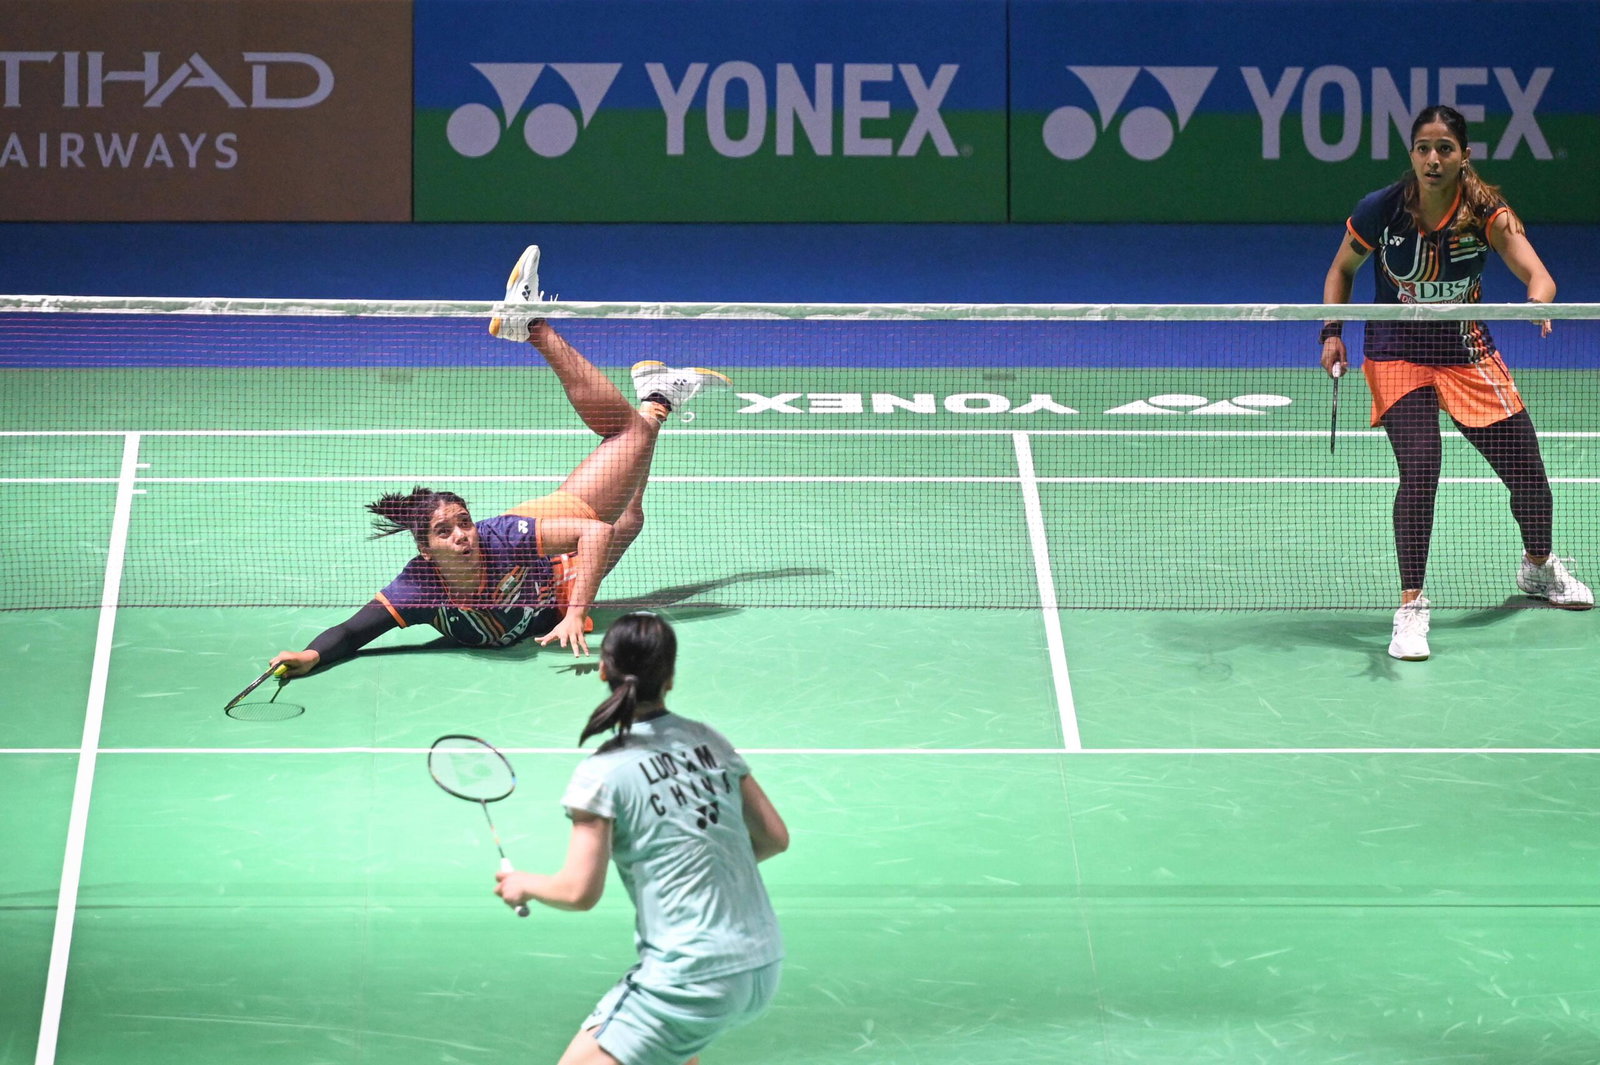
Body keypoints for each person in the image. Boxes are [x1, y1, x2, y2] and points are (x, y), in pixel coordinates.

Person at [269, 245, 731, 670]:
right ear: (425, 551)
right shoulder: (421, 587)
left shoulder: (502, 540)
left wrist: (577, 614)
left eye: (463, 522)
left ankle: (532, 327)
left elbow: (594, 532)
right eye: (444, 532)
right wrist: (309, 655)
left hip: (555, 539)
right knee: (632, 517)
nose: (461, 535)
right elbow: (352, 633)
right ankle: (657, 396)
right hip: (555, 588)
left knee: (626, 437)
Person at [1320, 105, 1592, 662]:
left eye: (1444, 148)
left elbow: (1538, 274)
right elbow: (1341, 269)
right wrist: (1331, 332)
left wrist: (1538, 302)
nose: (1433, 159)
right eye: (1423, 148)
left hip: (1466, 353)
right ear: (1412, 154)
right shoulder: (1382, 209)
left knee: (1529, 476)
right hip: (1397, 353)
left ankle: (1538, 566)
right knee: (1421, 467)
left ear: (1464, 155)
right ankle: (1411, 606)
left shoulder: (1486, 212)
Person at [495, 611, 788, 1065]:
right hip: (762, 964)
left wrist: (522, 884)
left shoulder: (602, 771)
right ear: (669, 677)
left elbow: (578, 892)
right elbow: (773, 838)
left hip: (689, 977)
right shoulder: (711, 741)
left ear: (603, 670)